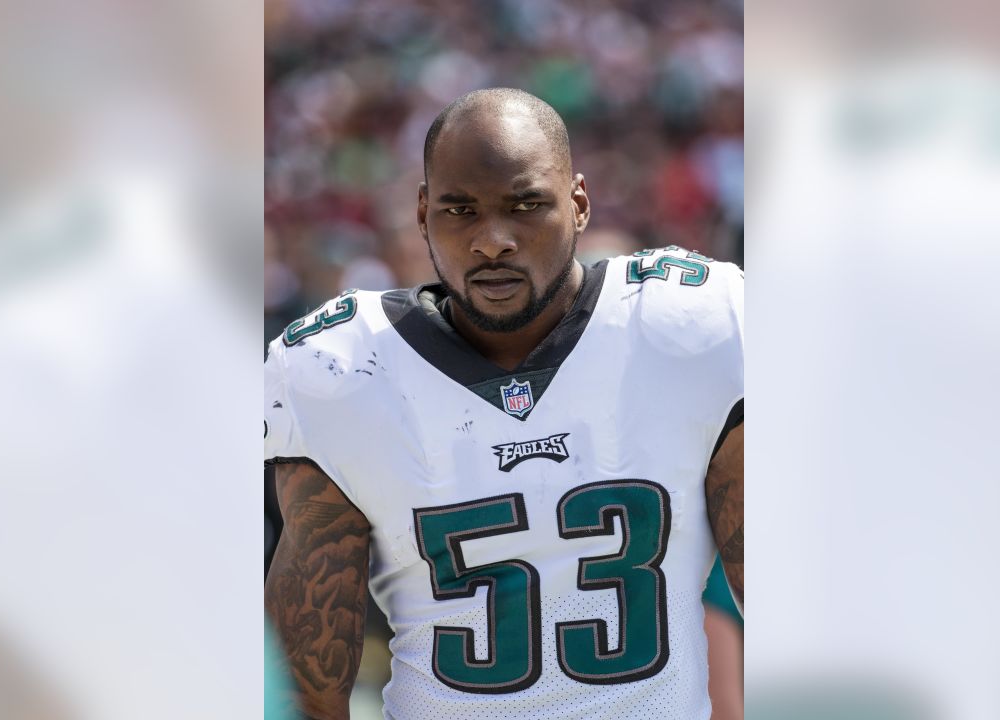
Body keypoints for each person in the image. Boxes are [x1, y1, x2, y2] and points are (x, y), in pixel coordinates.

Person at [264, 88, 743, 719]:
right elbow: (309, 686)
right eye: (460, 210)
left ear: (578, 204)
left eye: (526, 206)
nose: (493, 241)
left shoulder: (692, 328)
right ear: (422, 213)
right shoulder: (339, 370)